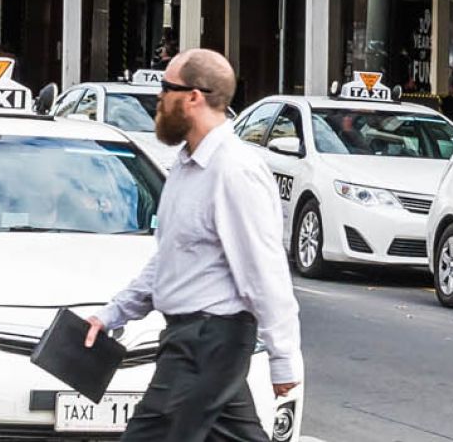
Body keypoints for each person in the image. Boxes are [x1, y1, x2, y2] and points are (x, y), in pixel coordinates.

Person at [85, 46, 302, 442]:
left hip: (208, 341)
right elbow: (170, 259)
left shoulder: (234, 171)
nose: (158, 99)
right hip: (191, 340)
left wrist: (283, 358)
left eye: (166, 88)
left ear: (194, 97)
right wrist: (112, 314)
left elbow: (264, 271)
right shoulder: (186, 168)